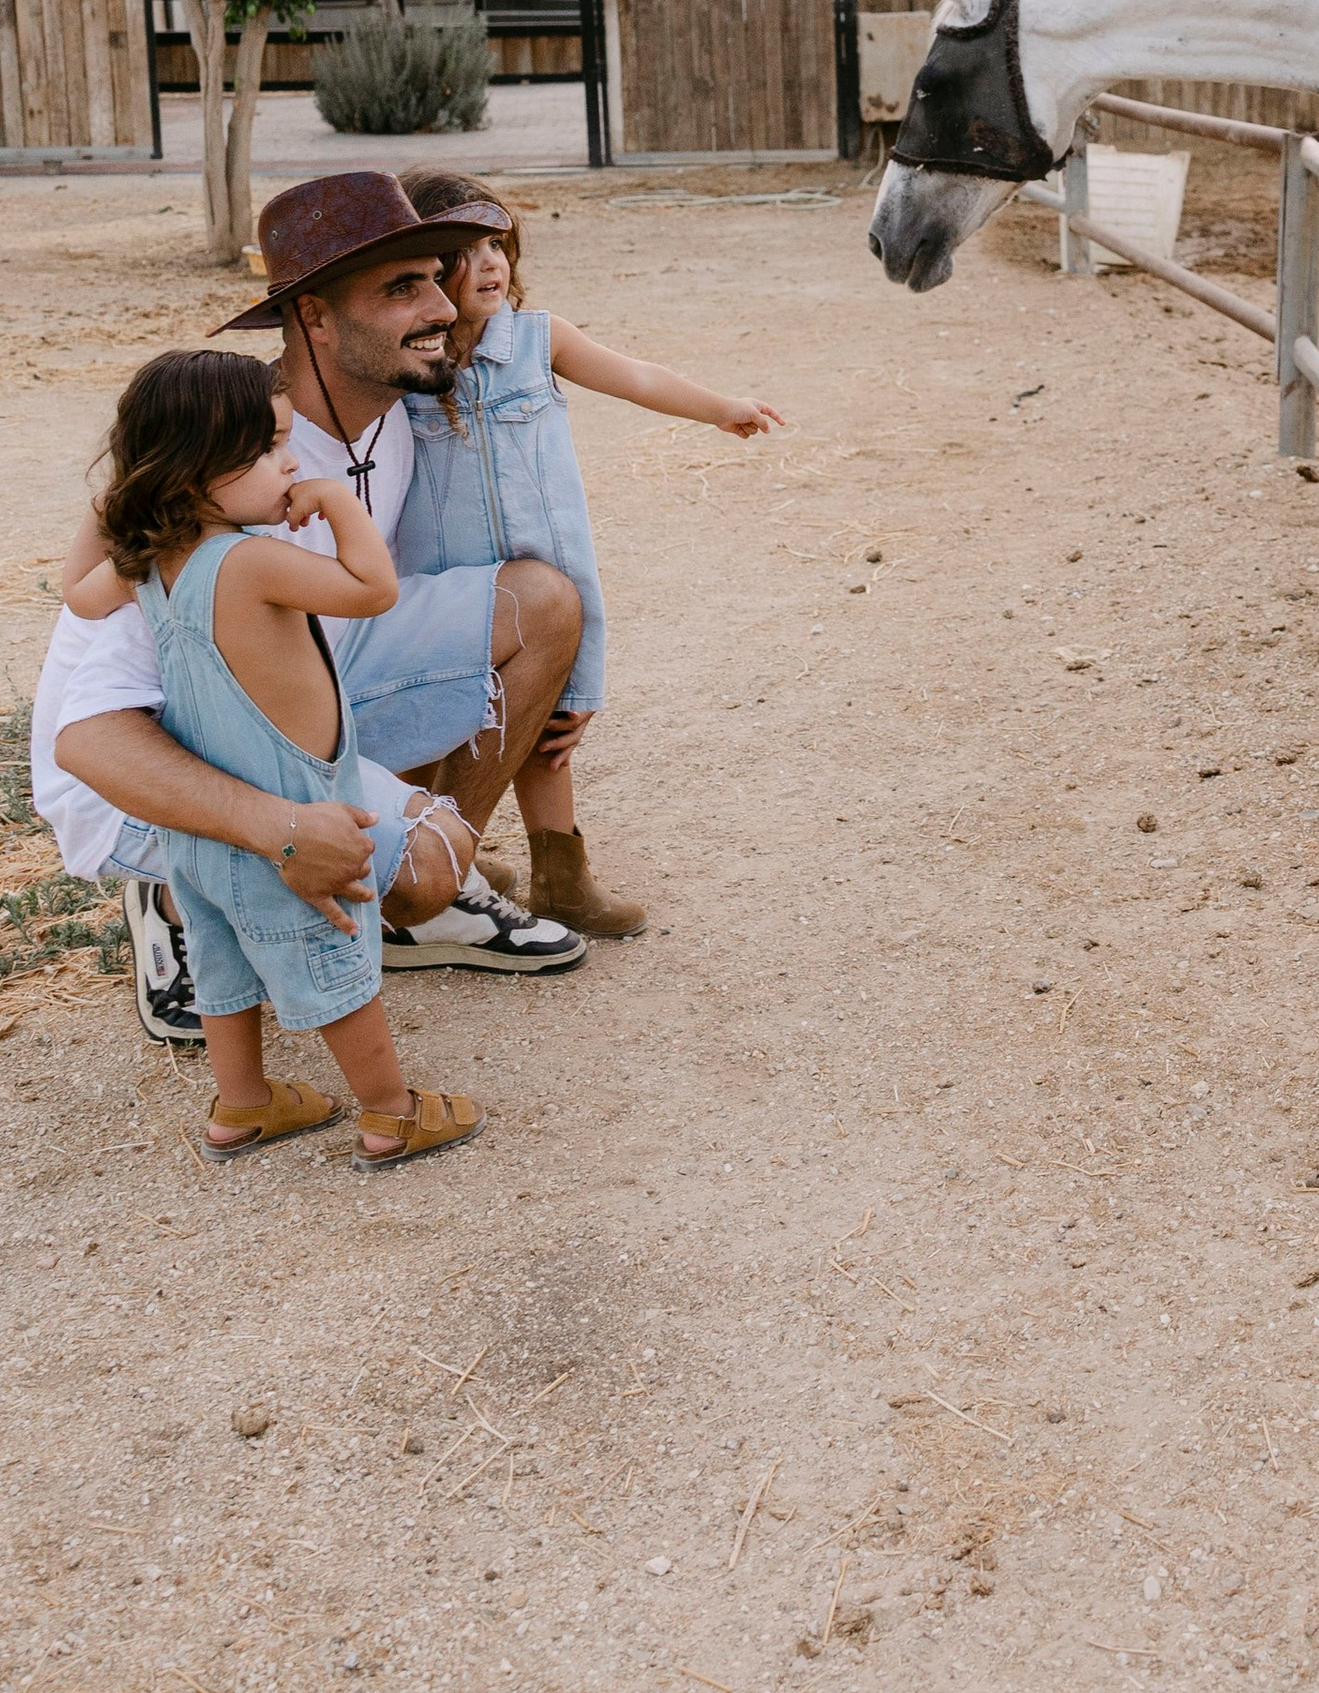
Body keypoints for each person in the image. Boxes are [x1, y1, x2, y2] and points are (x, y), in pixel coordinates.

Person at [43, 173, 594, 1027]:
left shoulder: (401, 407)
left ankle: (426, 891)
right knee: (410, 866)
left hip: (305, 684)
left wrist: (560, 694)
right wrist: (281, 829)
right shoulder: (225, 472)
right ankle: (177, 898)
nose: (443, 305)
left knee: (544, 605)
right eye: (401, 288)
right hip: (162, 758)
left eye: (437, 276)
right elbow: (91, 740)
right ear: (315, 318)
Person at [85, 348, 480, 1167]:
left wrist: (120, 492)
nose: (291, 461)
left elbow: (73, 590)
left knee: (222, 962)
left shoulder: (148, 566)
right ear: (195, 468)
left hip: (205, 831)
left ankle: (245, 1103)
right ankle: (391, 1113)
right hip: (291, 813)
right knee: (335, 963)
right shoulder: (250, 559)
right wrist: (338, 501)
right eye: (267, 447)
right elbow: (373, 589)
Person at [393, 171, 784, 936]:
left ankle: (562, 880)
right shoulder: (410, 364)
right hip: (451, 587)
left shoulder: (538, 339)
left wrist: (719, 408)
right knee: (435, 727)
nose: (492, 263)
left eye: (497, 244)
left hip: (550, 576)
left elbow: (635, 376)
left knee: (545, 731)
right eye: (466, 252)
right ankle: (439, 857)